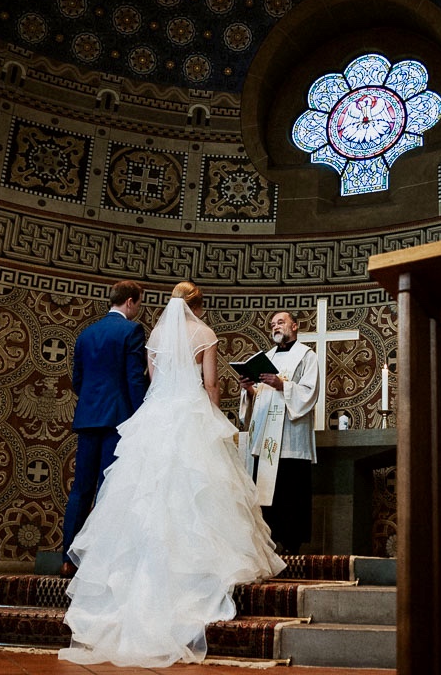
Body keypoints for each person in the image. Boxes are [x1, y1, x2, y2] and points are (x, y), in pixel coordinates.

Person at [59, 281, 284, 667]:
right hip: (190, 414)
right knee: (195, 493)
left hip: (153, 416)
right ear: (198, 305)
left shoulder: (154, 334)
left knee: (137, 495)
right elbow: (210, 385)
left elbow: (149, 381)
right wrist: (215, 420)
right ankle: (193, 571)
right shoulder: (205, 333)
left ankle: (108, 570)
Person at [61, 280, 149, 579]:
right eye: (139, 304)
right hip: (118, 420)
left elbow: (77, 380)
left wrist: (91, 403)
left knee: (80, 490)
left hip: (87, 418)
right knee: (108, 489)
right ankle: (98, 559)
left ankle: (68, 559)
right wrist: (141, 418)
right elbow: (134, 379)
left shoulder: (87, 334)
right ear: (129, 302)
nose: (139, 309)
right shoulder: (131, 331)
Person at [239, 310, 320, 555]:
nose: (275, 327)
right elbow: (262, 398)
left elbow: (310, 392)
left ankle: (292, 547)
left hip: (291, 436)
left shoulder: (307, 356)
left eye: (281, 322)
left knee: (291, 492)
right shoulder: (265, 358)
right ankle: (268, 547)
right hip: (266, 439)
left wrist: (282, 384)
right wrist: (249, 390)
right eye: (273, 324)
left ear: (295, 326)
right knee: (267, 496)